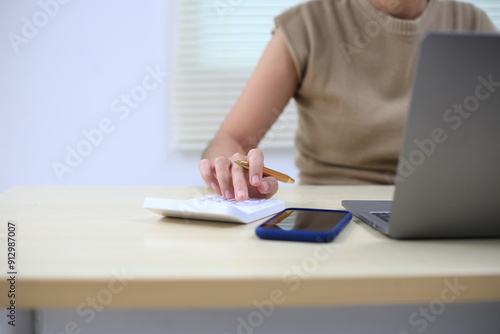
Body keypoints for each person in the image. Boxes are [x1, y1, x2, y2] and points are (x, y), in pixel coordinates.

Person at [198, 0, 497, 201]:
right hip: (333, 212)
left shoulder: (472, 22)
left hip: (445, 211)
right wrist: (233, 172)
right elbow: (233, 138)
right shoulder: (308, 24)